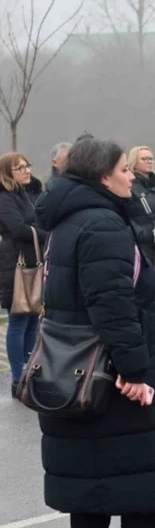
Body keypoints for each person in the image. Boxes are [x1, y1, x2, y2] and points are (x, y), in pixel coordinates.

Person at [35, 137, 155, 528]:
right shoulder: (102, 225)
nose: (131, 177)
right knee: (142, 485)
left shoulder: (68, 220)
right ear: (103, 177)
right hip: (115, 379)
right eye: (124, 170)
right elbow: (113, 306)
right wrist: (135, 371)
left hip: (75, 373)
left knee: (88, 495)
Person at [0, 152, 45, 397]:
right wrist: (46, 234)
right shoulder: (5, 198)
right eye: (20, 168)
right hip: (15, 264)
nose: (27, 170)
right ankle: (18, 378)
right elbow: (18, 229)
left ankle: (30, 373)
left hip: (32, 261)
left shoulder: (25, 194)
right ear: (8, 173)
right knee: (18, 321)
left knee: (32, 320)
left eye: (27, 165)